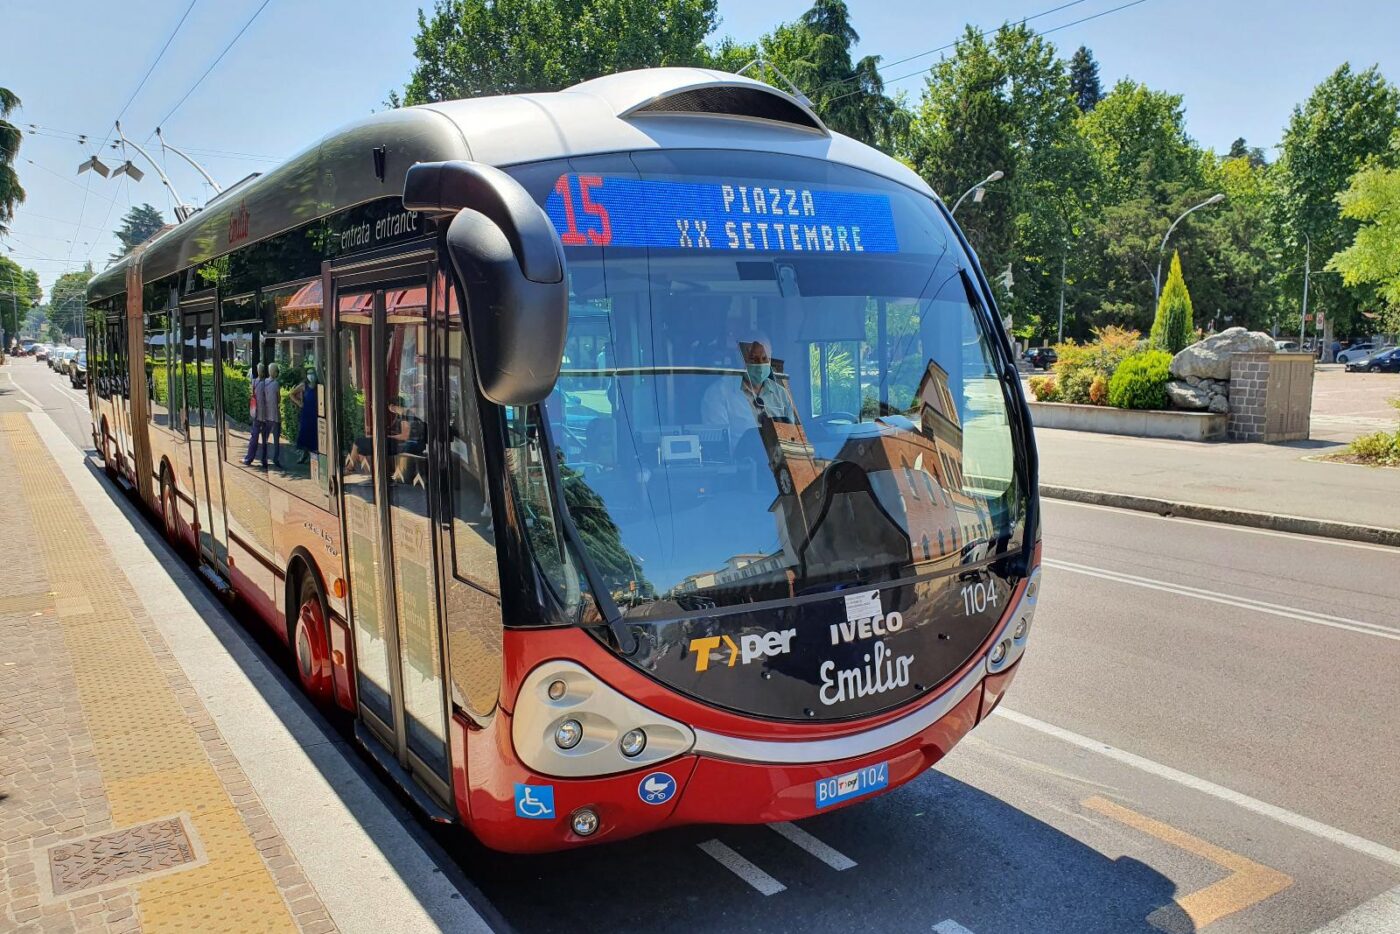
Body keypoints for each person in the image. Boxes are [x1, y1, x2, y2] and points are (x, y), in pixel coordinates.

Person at [700, 335, 793, 451]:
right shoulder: (718, 394)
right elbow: (718, 452)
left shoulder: (781, 394)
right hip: (740, 467)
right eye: (753, 359)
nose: (759, 365)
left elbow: (793, 440)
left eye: (765, 358)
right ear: (739, 358)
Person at [290, 367, 318, 464]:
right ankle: (304, 454)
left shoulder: (319, 386)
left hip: (316, 413)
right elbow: (292, 394)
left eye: (312, 373)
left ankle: (314, 456)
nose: (311, 376)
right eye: (309, 373)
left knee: (315, 433)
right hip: (306, 413)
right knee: (305, 432)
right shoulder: (304, 385)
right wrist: (299, 403)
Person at [242, 364, 268, 465]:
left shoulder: (256, 382)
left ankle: (251, 458)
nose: (260, 372)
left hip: (259, 414)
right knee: (260, 438)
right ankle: (262, 460)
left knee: (256, 437)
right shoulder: (264, 383)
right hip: (262, 415)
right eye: (260, 370)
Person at [259, 363, 282, 467]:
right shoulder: (276, 384)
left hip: (266, 416)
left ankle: (264, 459)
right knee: (276, 440)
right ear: (274, 372)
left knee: (265, 438)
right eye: (276, 370)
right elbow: (279, 399)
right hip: (275, 416)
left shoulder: (264, 383)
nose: (276, 372)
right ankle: (275, 459)